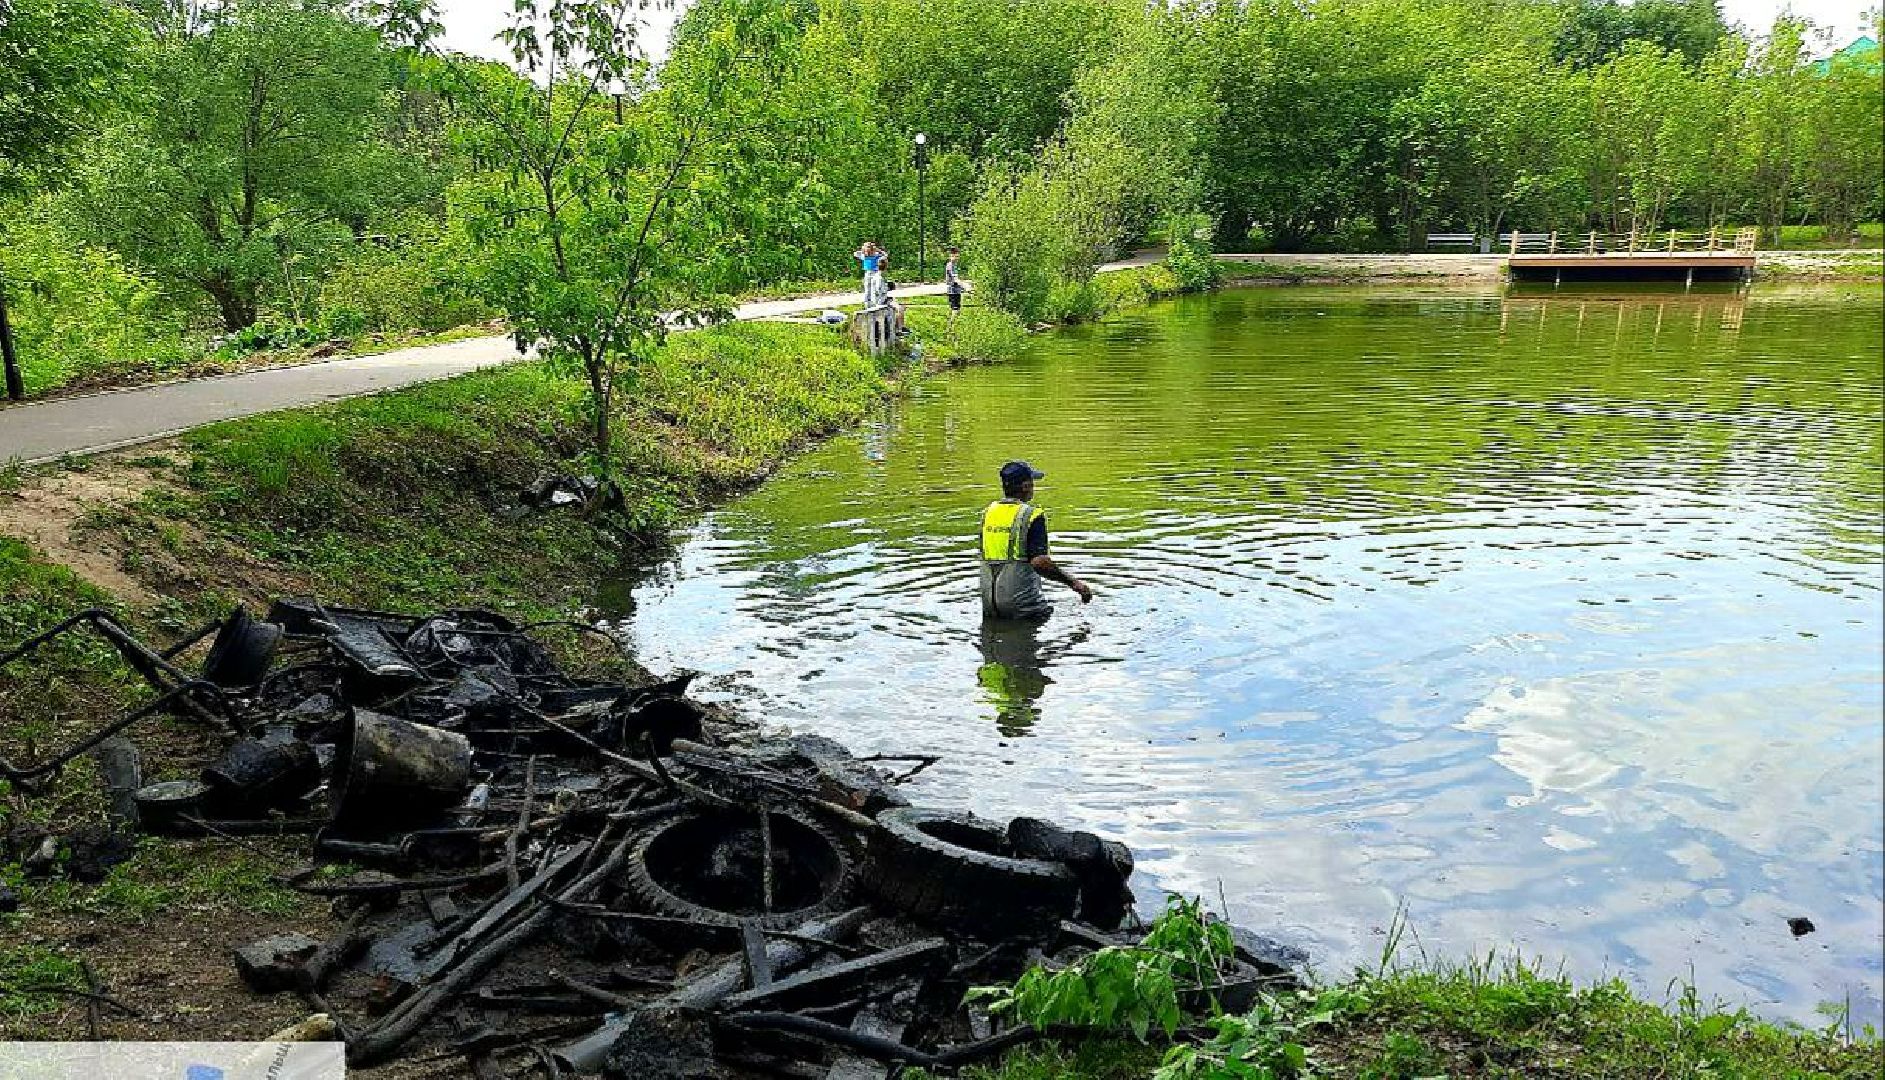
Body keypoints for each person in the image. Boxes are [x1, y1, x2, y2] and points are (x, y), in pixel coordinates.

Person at [979, 460, 1092, 621]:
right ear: (1025, 486)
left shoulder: (988, 513)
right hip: (1023, 607)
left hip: (990, 605)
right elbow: (1040, 563)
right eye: (1032, 483)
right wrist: (1074, 584)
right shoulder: (1031, 515)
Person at [855, 241, 889, 308]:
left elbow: (885, 255)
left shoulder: (876, 255)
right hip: (867, 273)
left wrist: (878, 250)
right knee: (867, 288)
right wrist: (863, 250)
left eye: (869, 250)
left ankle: (877, 301)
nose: (868, 252)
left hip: (875, 273)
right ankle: (867, 304)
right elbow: (855, 253)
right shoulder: (864, 256)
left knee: (876, 287)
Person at [943, 247, 965, 327]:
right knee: (955, 310)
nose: (956, 257)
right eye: (954, 255)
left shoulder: (954, 265)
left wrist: (961, 287)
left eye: (957, 256)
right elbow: (955, 279)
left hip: (956, 290)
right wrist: (964, 286)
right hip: (953, 290)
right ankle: (950, 327)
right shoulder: (950, 265)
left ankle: (953, 325)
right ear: (951, 256)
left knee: (957, 310)